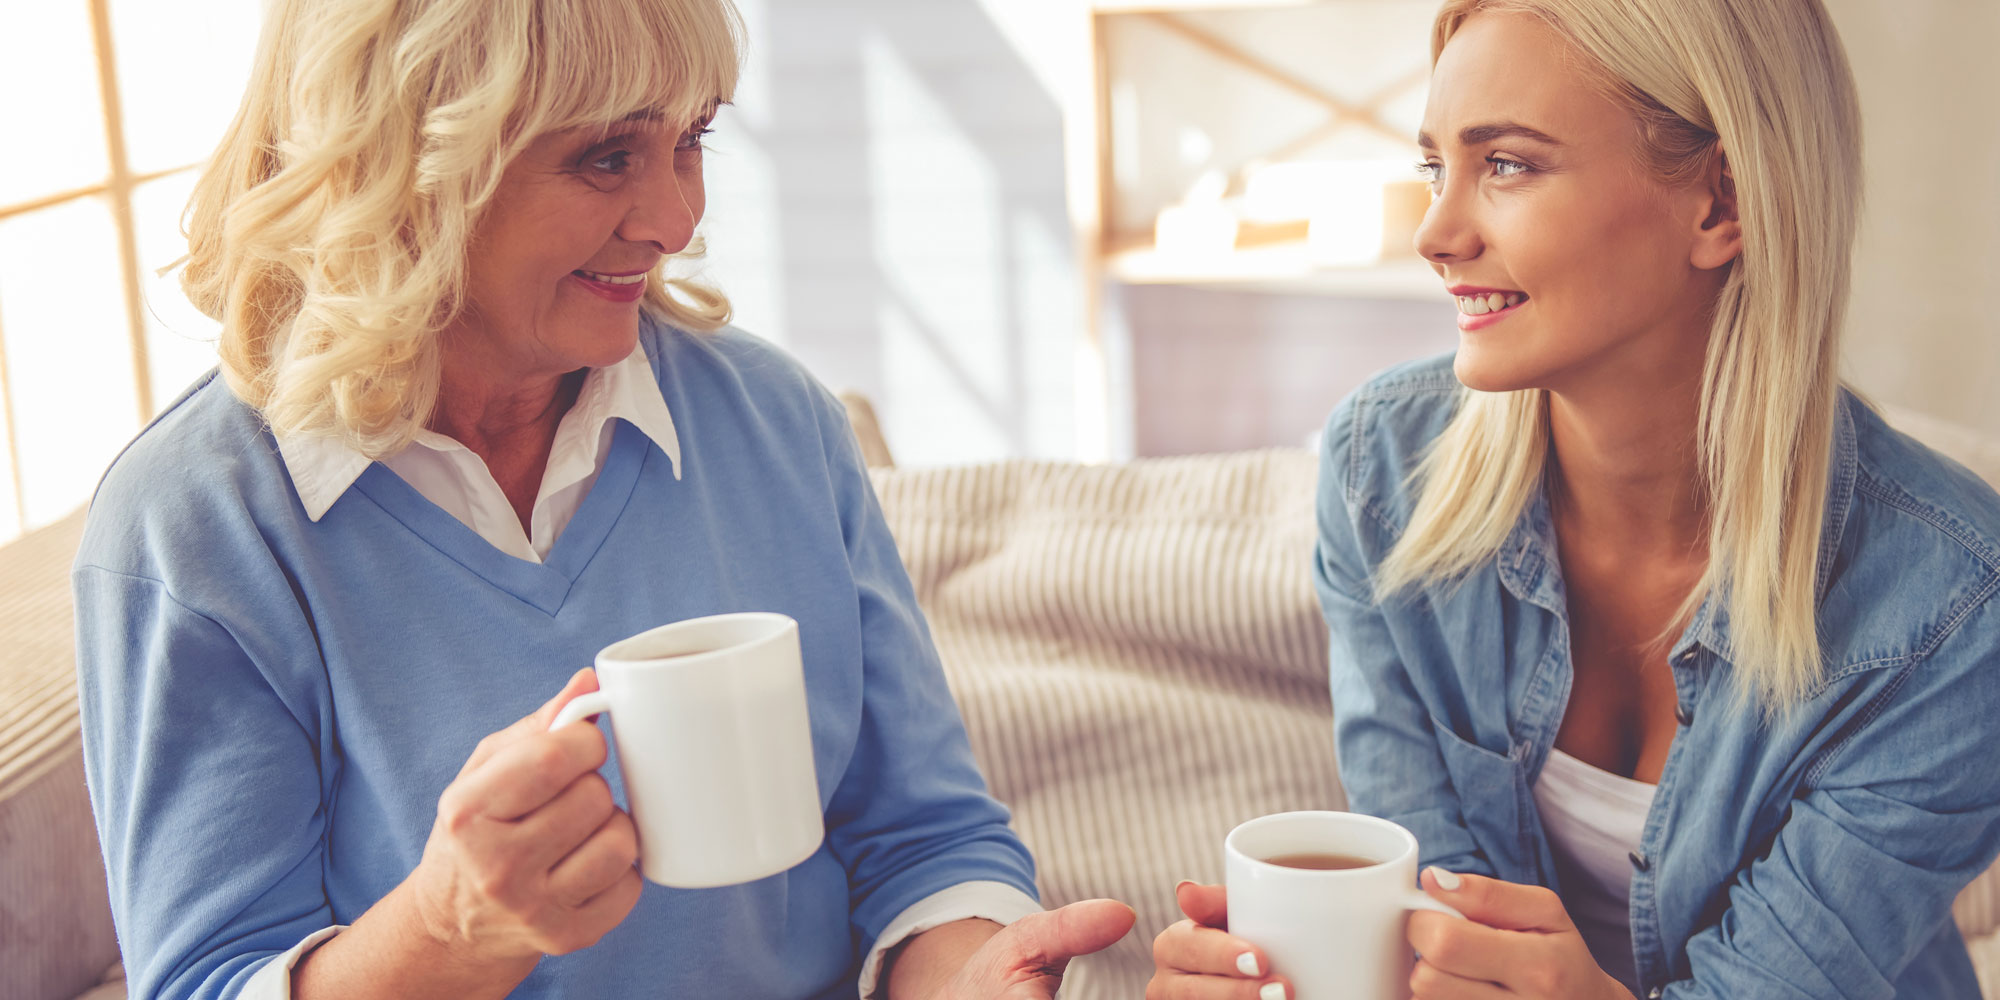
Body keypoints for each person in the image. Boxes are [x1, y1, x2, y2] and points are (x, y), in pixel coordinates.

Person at [71, 0, 1134, 997]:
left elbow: (922, 840)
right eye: (606, 157)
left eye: (690, 140)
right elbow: (210, 971)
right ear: (403, 167)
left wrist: (977, 977)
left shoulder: (776, 423)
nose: (674, 218)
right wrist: (449, 929)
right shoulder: (198, 526)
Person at [1148, 0, 2000, 997]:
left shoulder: (1949, 609)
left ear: (1719, 204)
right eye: (1435, 168)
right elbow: (1423, 927)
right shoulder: (1380, 474)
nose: (1435, 232)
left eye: (1504, 164)